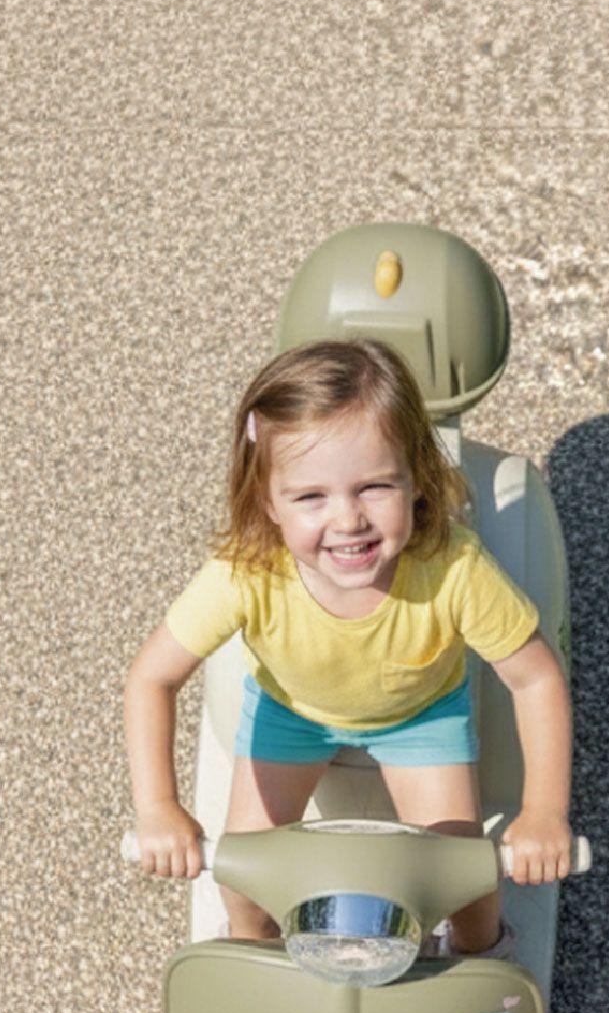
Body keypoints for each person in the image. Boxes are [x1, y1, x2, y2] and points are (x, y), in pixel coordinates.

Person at [122, 338, 572, 956]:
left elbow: (537, 679)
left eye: (374, 487)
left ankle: (480, 971)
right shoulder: (246, 573)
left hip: (421, 716)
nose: (348, 520)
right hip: (292, 714)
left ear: (417, 479)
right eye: (311, 497)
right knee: (243, 880)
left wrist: (544, 811)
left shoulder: (452, 568)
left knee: (464, 879)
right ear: (268, 503)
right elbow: (152, 678)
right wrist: (158, 808)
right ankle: (252, 962)